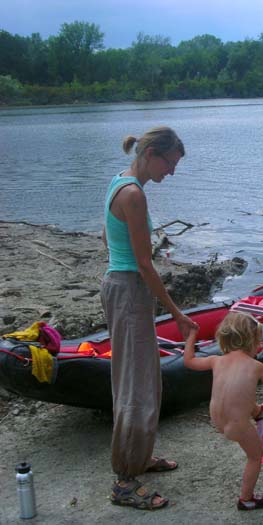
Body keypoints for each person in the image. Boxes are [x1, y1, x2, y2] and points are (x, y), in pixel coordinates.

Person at [102, 126, 198, 511]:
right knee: (135, 386)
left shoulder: (120, 181)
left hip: (124, 288)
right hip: (128, 290)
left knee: (145, 380)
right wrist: (177, 313)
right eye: (170, 163)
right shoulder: (133, 194)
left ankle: (138, 458)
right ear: (152, 153)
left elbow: (112, 241)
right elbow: (145, 264)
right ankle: (125, 481)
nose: (171, 172)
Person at [183, 312, 263, 511]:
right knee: (255, 456)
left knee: (240, 399)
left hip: (218, 420)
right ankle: (246, 499)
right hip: (237, 425)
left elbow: (189, 361)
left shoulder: (215, 360)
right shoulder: (257, 367)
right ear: (253, 341)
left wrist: (192, 335)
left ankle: (258, 411)